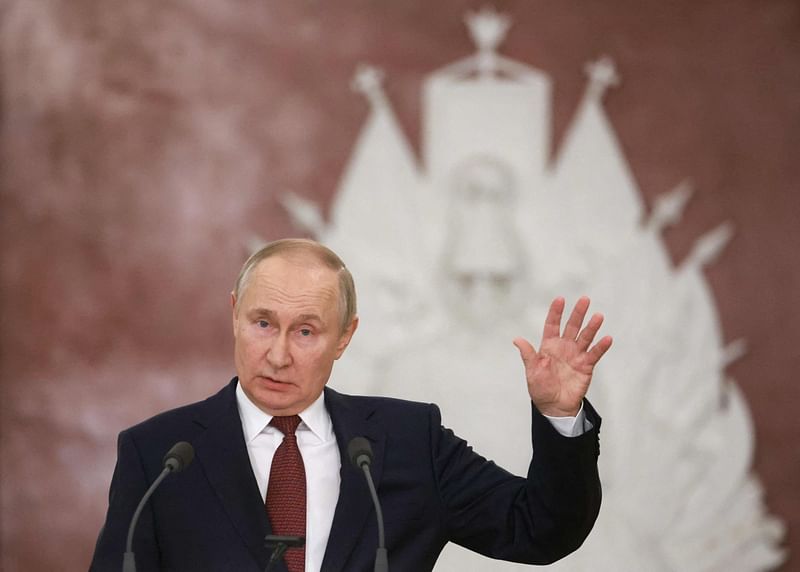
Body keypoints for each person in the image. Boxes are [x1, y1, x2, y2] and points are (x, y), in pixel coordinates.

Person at [90, 238, 612, 572]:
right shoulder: (160, 456)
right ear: (234, 315)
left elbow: (542, 530)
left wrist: (559, 415)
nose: (278, 354)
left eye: (307, 332)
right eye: (263, 323)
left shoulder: (409, 441)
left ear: (344, 337)